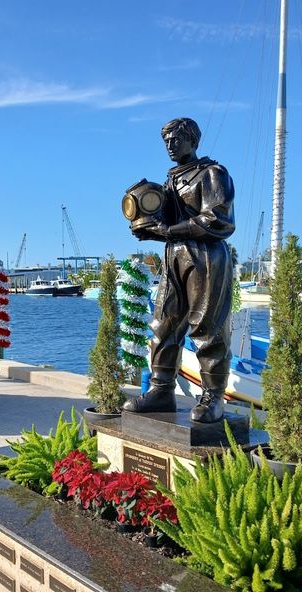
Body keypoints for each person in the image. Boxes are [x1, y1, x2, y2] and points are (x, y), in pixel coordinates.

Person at [122, 117, 235, 423]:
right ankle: (161, 390)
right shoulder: (173, 178)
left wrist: (168, 230)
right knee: (164, 323)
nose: (170, 146)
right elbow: (167, 221)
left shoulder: (212, 173)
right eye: (166, 141)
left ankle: (213, 397)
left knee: (206, 327)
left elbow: (219, 221)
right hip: (175, 255)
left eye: (176, 139)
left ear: (192, 140)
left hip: (206, 256)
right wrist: (149, 227)